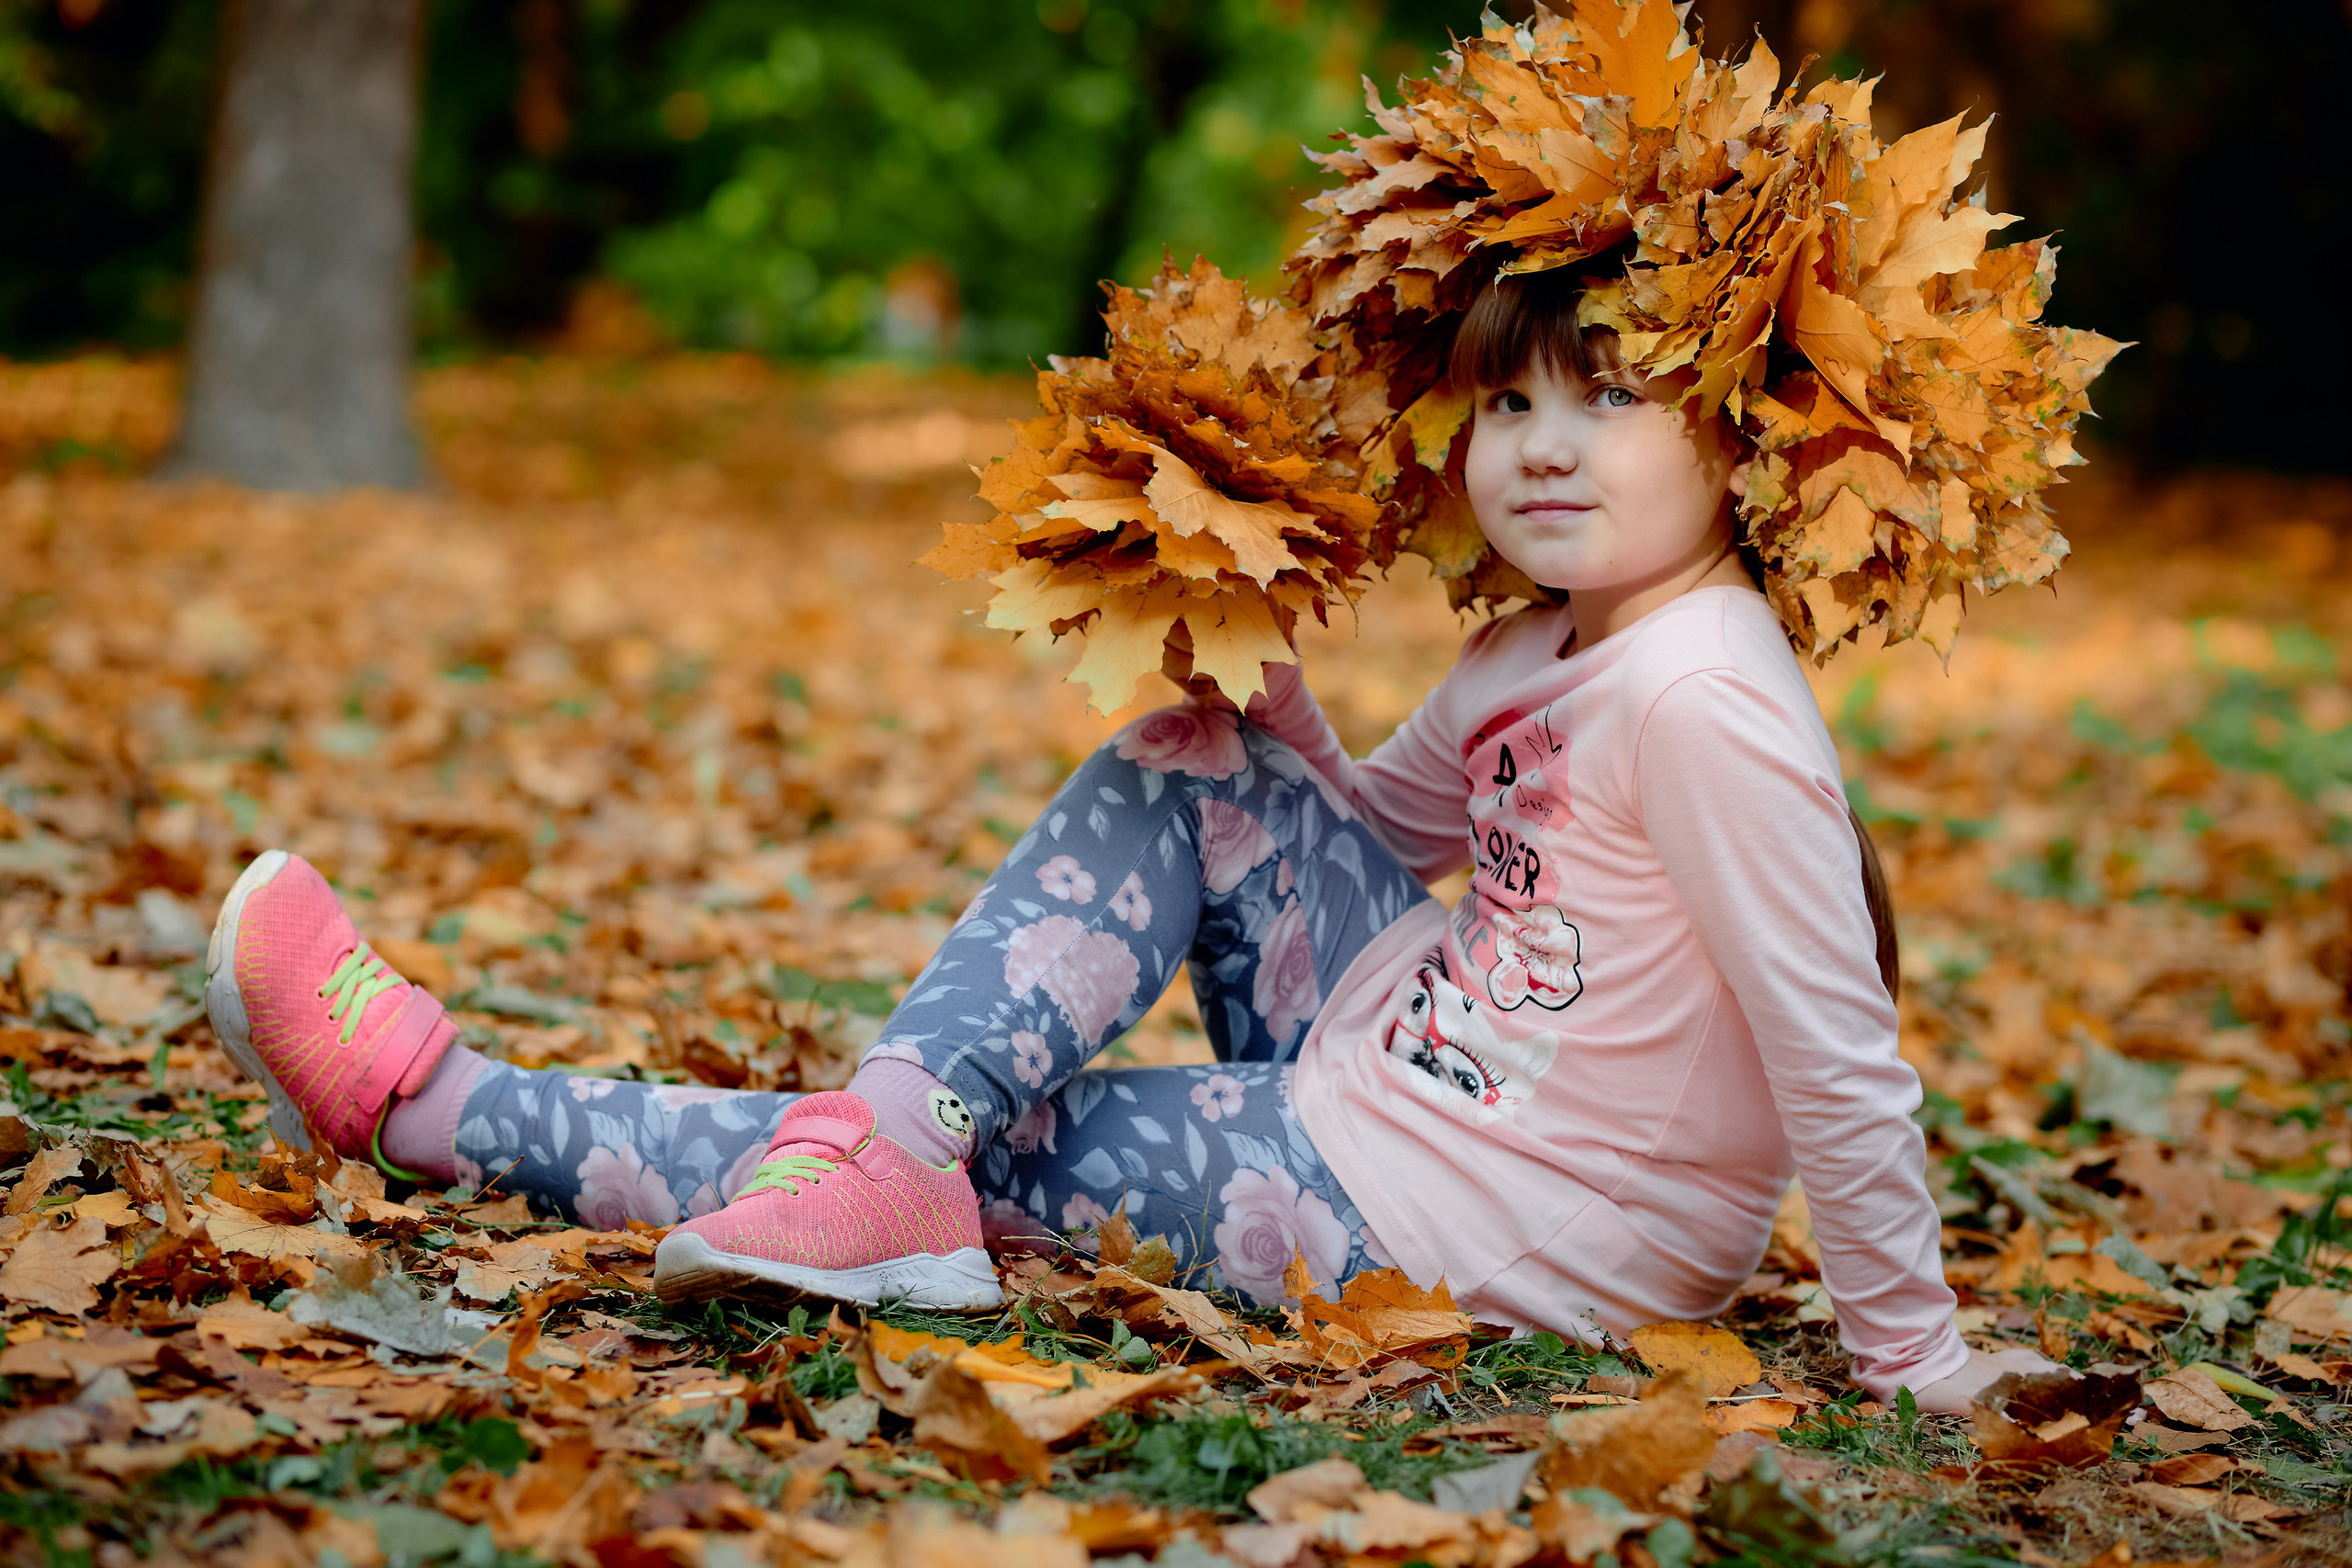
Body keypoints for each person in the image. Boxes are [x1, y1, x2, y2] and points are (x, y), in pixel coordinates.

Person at [204, 269, 2055, 1415]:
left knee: (1027, 1145)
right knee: (1189, 749)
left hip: (1521, 1217)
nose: (1541, 447)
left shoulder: (1707, 696)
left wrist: (1913, 1352)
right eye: (1507, 401)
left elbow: (1835, 1048)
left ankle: (440, 1103)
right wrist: (1263, 678)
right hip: (1424, 1063)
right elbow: (1386, 830)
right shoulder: (1544, 635)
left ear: (1739, 432)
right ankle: (894, 1142)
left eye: (1609, 394)